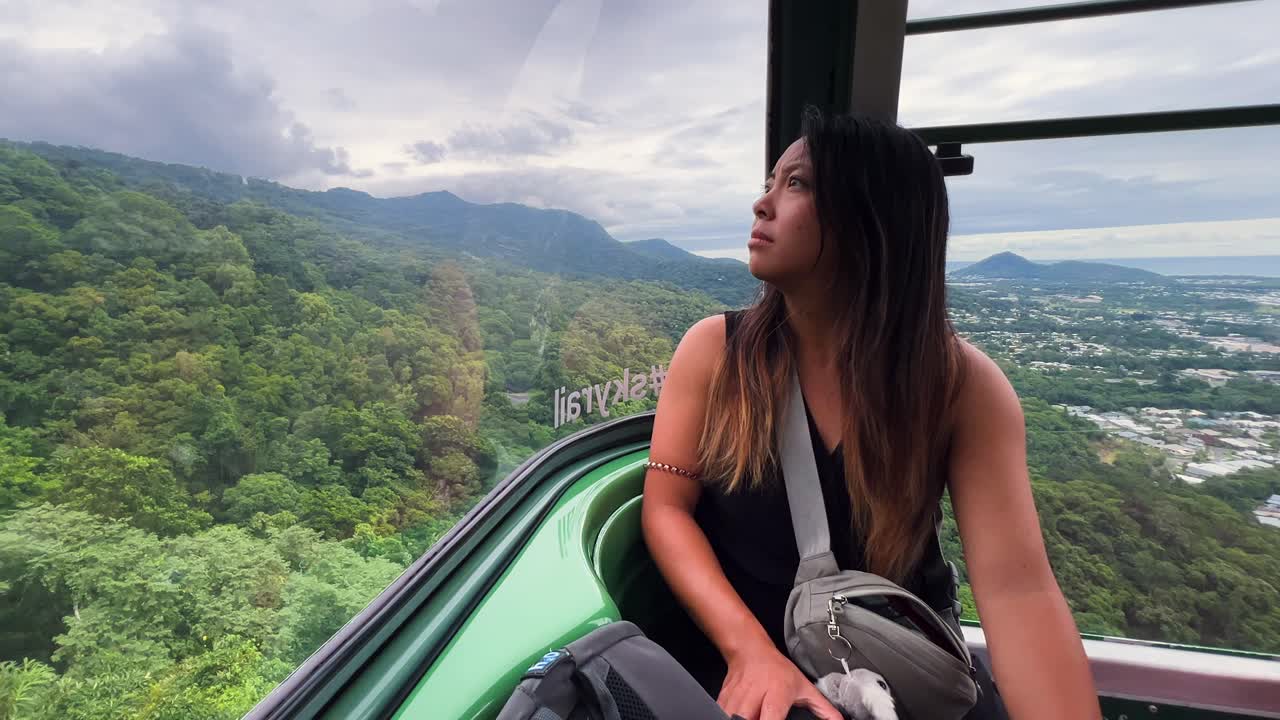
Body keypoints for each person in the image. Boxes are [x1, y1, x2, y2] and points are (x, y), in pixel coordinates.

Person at [640, 107, 1100, 720]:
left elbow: (1020, 593)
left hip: (904, 680)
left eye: (797, 183)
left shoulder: (962, 386)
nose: (763, 204)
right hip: (758, 672)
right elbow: (667, 509)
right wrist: (750, 652)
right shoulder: (716, 353)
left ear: (871, 218)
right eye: (769, 183)